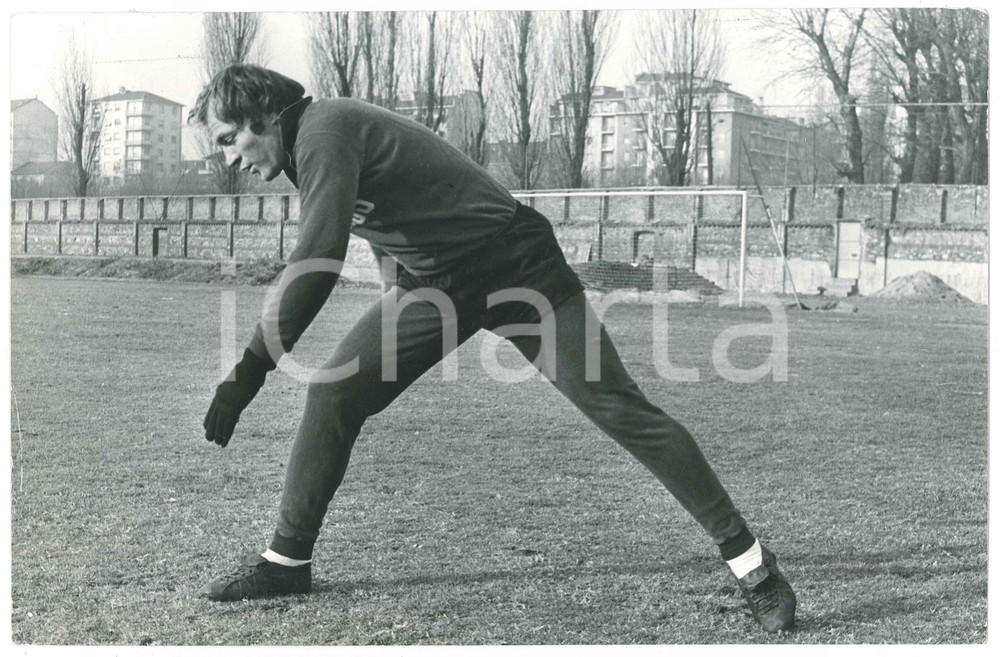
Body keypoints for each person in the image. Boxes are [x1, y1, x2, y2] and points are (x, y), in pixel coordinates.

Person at [191, 64, 796, 633]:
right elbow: (384, 217)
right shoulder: (306, 146)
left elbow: (316, 260)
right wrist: (394, 302)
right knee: (335, 391)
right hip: (437, 285)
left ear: (263, 116)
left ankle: (751, 563)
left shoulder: (322, 131)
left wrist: (249, 371)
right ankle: (288, 562)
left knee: (619, 409)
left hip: (517, 268)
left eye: (227, 140)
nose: (230, 159)